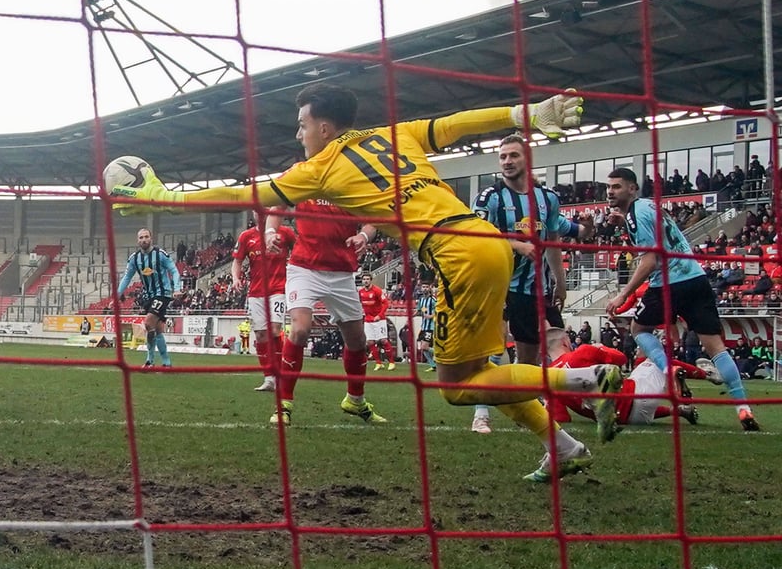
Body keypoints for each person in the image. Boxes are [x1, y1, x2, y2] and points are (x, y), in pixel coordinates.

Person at [112, 82, 626, 480]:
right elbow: (454, 125)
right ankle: (564, 449)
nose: (298, 135)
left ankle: (579, 379)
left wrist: (167, 196)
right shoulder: (391, 135)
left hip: (457, 254)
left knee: (456, 388)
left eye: (302, 126)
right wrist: (524, 114)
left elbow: (243, 194)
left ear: (326, 129)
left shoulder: (321, 169)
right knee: (483, 371)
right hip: (486, 241)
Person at [604, 167, 760, 431]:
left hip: (668, 282)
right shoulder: (648, 208)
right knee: (715, 347)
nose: (610, 191)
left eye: (617, 186)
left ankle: (668, 370)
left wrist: (624, 292)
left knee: (639, 329)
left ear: (632, 189)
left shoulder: (636, 215)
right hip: (695, 277)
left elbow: (651, 260)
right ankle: (743, 407)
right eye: (608, 187)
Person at [469, 133, 591, 434]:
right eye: (503, 157)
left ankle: (526, 409)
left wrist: (561, 283)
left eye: (513, 155)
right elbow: (476, 235)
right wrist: (515, 244)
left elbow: (554, 239)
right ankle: (481, 413)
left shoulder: (547, 198)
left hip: (530, 287)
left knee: (527, 355)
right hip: (493, 282)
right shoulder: (490, 197)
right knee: (493, 347)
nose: (507, 162)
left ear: (528, 159)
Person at [263, 204, 387, 426]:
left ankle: (355, 400)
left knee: (358, 340)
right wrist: (270, 232)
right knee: (300, 329)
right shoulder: (302, 173)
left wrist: (363, 236)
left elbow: (372, 220)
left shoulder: (349, 180)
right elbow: (277, 207)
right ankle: (284, 404)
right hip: (304, 269)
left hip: (342, 273)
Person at [542, 327, 699, 428]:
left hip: (625, 419)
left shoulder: (547, 377)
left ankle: (677, 411)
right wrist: (601, 348)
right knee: (656, 359)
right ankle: (707, 373)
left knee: (632, 383)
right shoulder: (581, 352)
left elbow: (561, 417)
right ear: (565, 342)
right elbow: (621, 359)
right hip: (637, 396)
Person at [231, 212, 296, 390]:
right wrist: (236, 278)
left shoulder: (285, 233)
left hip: (278, 289)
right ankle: (269, 378)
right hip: (256, 292)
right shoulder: (246, 236)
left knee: (275, 330)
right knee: (260, 334)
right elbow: (237, 261)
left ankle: (280, 372)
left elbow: (299, 251)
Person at [116, 228, 183, 368]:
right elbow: (127, 277)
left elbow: (174, 270)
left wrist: (177, 288)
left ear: (151, 239)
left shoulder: (161, 255)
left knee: (147, 323)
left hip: (162, 294)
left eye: (146, 237)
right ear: (137, 240)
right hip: (148, 296)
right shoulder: (135, 258)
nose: (144, 240)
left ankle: (149, 360)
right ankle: (166, 363)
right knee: (157, 329)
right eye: (141, 237)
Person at [359, 273, 395, 371]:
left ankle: (391, 362)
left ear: (371, 280)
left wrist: (379, 315)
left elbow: (386, 303)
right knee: (370, 342)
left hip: (379, 320)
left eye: (367, 279)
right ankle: (378, 363)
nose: (366, 281)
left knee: (383, 340)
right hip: (368, 320)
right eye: (364, 279)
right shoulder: (361, 292)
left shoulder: (377, 290)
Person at [416, 280, 437, 372]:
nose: (425, 288)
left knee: (425, 347)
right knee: (423, 349)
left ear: (430, 288)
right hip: (423, 327)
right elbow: (419, 310)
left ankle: (440, 354)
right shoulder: (421, 299)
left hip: (431, 327)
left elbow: (438, 311)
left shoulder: (433, 300)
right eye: (423, 287)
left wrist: (431, 316)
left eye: (426, 287)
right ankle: (433, 365)